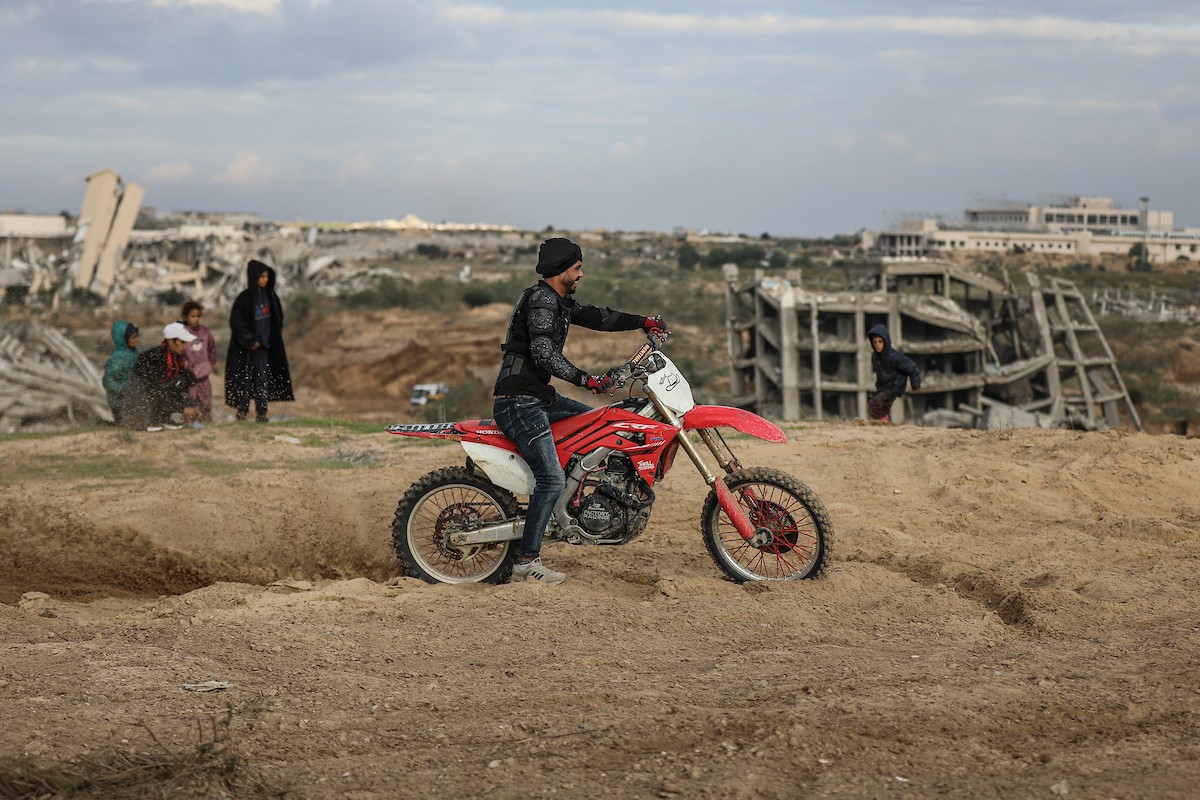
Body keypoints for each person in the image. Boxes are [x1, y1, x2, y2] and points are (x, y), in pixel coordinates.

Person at [492, 237, 670, 585]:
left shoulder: (557, 301)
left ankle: (573, 505)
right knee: (550, 478)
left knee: (600, 426)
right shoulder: (542, 302)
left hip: (538, 397)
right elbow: (543, 353)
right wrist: (586, 379)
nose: (581, 274)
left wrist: (643, 321)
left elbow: (596, 317)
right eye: (577, 268)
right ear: (562, 270)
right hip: (519, 401)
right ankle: (526, 563)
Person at [225, 259, 294, 422]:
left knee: (262, 380)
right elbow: (236, 322)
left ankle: (261, 413)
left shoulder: (270, 297)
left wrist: (272, 338)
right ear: (254, 277)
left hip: (264, 348)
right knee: (245, 381)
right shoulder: (244, 299)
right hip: (247, 350)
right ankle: (242, 413)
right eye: (262, 276)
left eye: (267, 277)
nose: (265, 280)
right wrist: (249, 340)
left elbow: (278, 318)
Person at [120, 322, 200, 430]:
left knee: (184, 379)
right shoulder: (153, 358)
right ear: (171, 341)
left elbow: (181, 385)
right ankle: (149, 421)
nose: (185, 346)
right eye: (182, 342)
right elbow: (155, 390)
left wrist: (193, 405)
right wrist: (182, 409)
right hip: (139, 406)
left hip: (154, 399)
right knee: (161, 389)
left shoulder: (175, 360)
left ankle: (165, 418)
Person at [867, 323, 921, 423]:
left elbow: (912, 368)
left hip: (895, 386)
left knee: (874, 403)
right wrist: (879, 388)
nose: (877, 345)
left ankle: (882, 422)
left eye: (880, 341)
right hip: (884, 386)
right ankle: (886, 425)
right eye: (875, 342)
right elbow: (880, 373)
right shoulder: (875, 357)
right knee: (883, 407)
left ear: (885, 341)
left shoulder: (895, 356)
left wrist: (916, 385)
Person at [180, 300, 218, 423]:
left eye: (198, 316)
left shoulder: (205, 332)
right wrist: (184, 367)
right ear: (186, 317)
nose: (196, 319)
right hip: (189, 377)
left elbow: (212, 348)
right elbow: (178, 352)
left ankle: (206, 425)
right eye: (192, 316)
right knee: (190, 402)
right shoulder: (182, 333)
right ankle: (190, 427)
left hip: (204, 376)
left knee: (205, 402)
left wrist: (210, 363)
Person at [102, 321, 139, 425]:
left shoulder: (134, 353)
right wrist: (122, 390)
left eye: (137, 337)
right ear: (123, 339)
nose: (136, 340)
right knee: (127, 424)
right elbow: (107, 380)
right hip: (119, 402)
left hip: (133, 398)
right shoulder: (118, 358)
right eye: (133, 338)